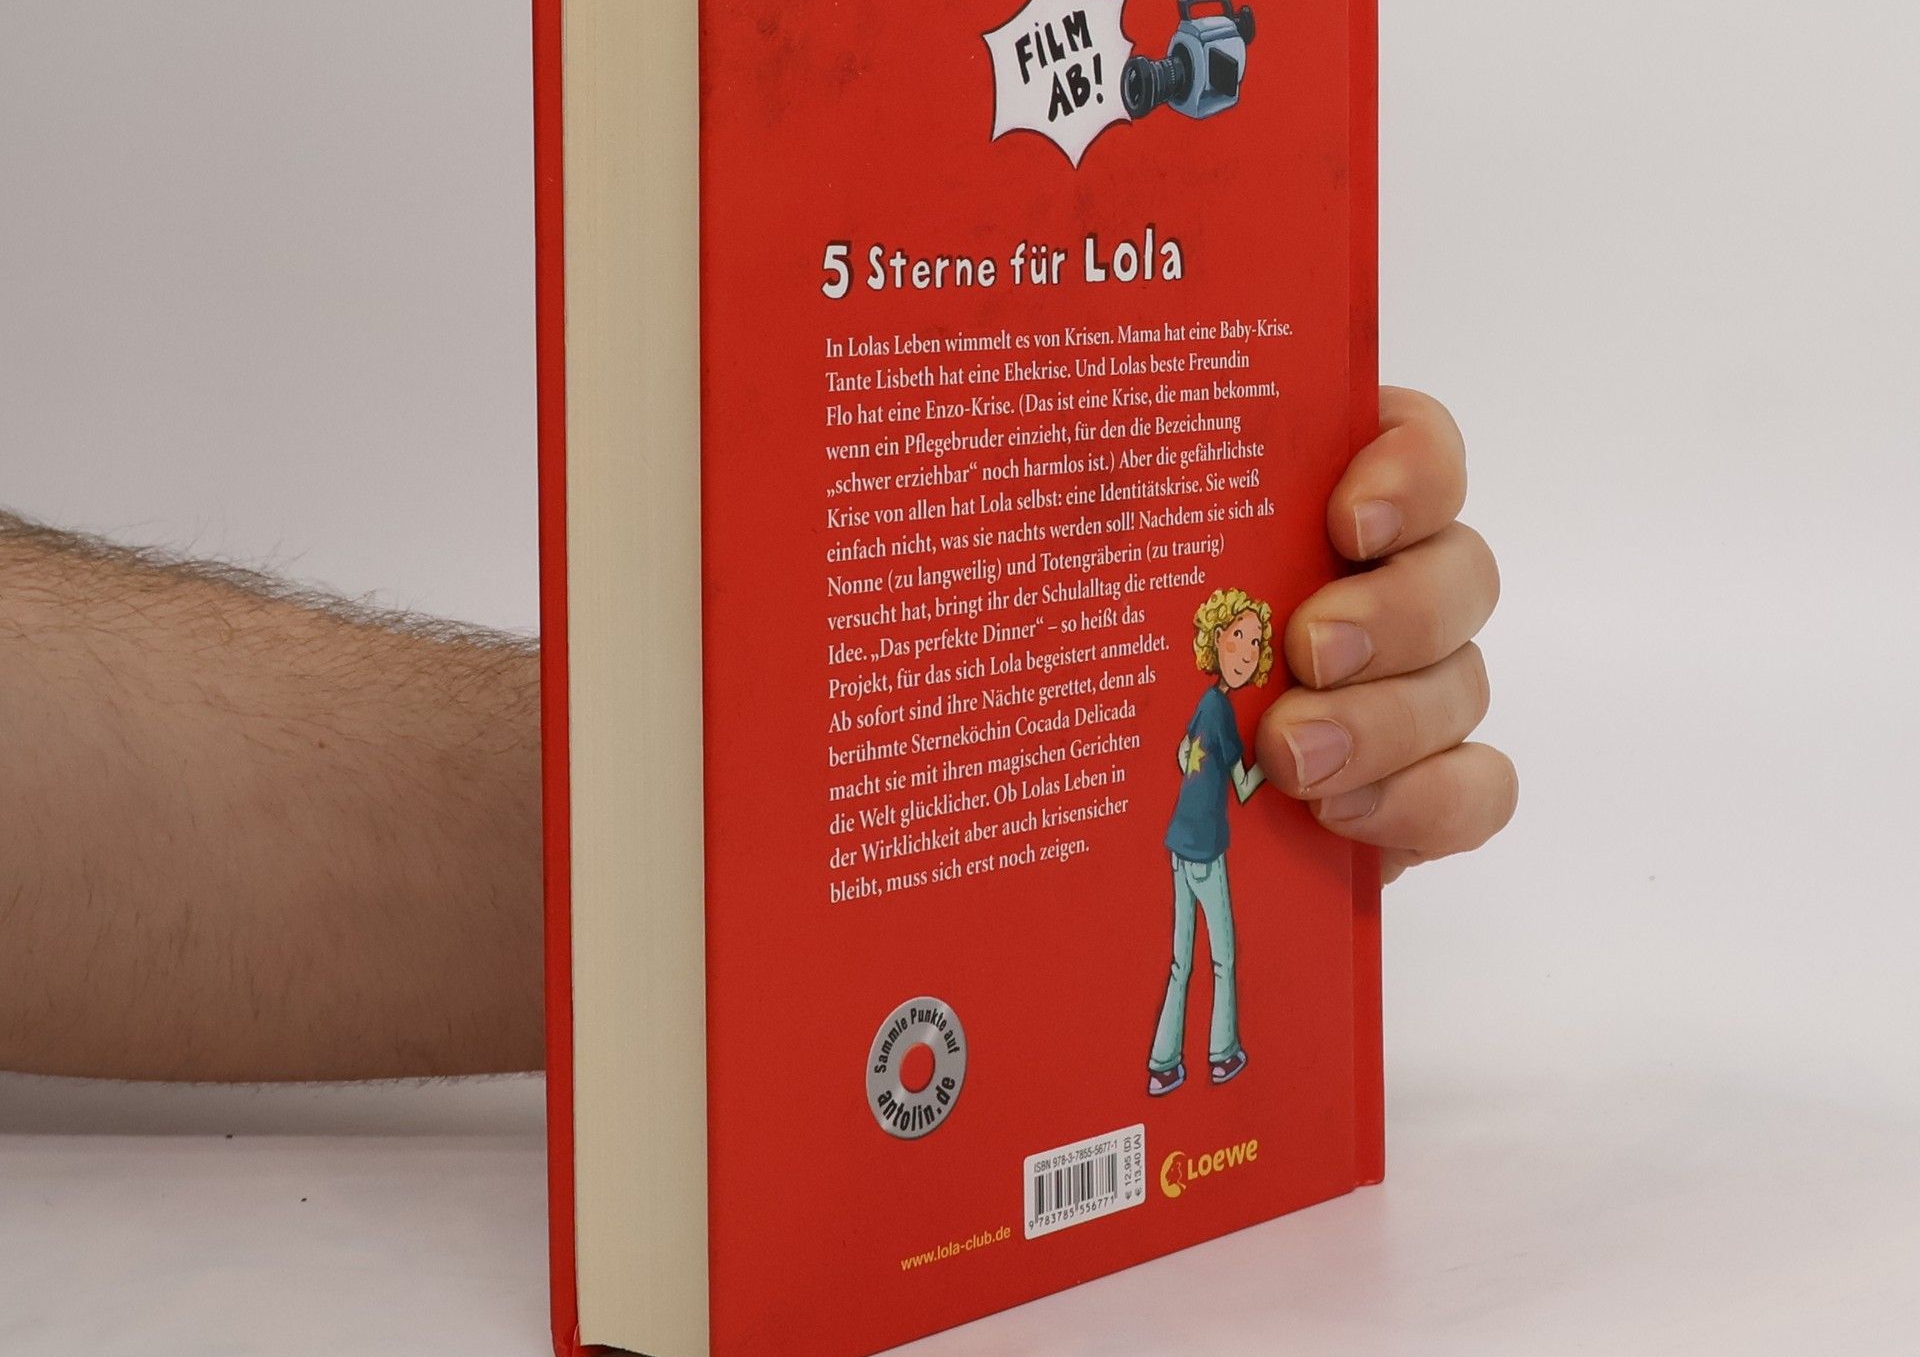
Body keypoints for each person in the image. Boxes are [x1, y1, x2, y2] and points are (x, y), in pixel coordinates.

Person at [0, 387, 1514, 1083]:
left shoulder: (1206, 698)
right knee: (1196, 958)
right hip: (1175, 850)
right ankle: (1204, 1045)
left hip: (1173, 850)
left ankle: (1209, 1048)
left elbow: (1219, 759)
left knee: (1204, 952)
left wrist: (948, 808)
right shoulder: (1196, 705)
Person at [1148, 586, 1274, 1096]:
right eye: (1239, 636)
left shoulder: (1205, 704)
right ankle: (1222, 1055)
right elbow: (1242, 786)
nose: (1248, 652)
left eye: (1256, 643)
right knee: (1223, 959)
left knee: (1181, 962)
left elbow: (1184, 753)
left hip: (1180, 845)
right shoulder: (1220, 711)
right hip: (1205, 853)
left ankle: (1163, 1063)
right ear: (1217, 638)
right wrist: (1272, 762)